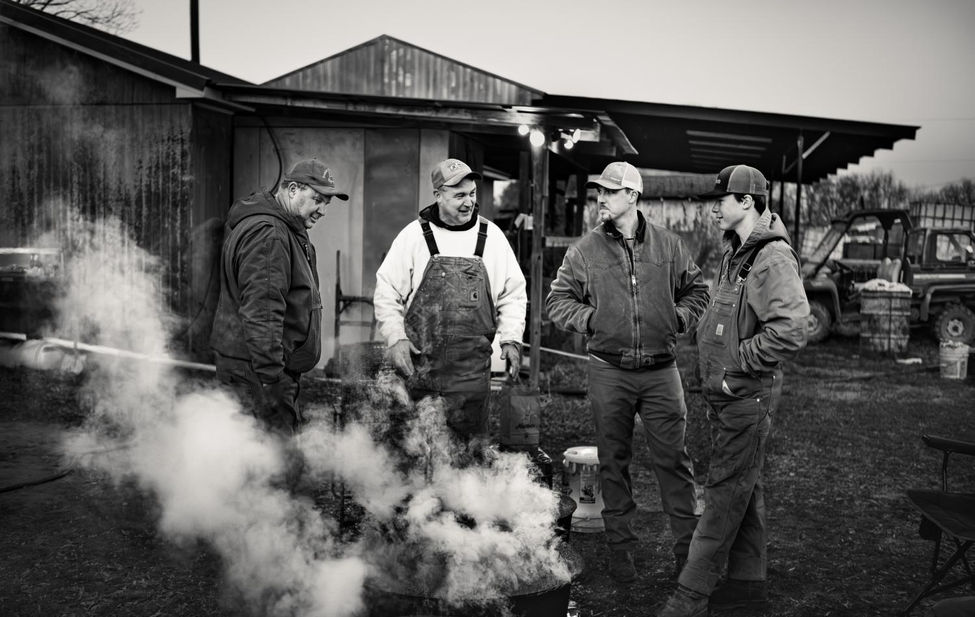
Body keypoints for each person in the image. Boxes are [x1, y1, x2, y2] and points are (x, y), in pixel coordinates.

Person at [545, 161, 710, 584]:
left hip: (661, 372)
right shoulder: (584, 250)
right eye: (598, 190)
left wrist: (678, 318)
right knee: (613, 463)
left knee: (674, 462)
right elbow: (558, 301)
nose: (601, 197)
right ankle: (622, 554)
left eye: (609, 191)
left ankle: (686, 557)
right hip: (609, 371)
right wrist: (593, 320)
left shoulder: (669, 246)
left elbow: (699, 291)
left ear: (633, 196)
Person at [658, 165, 809, 617]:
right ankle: (747, 586)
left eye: (722, 199)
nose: (714, 207)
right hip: (728, 395)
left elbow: (792, 328)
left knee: (723, 494)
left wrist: (738, 363)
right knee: (746, 487)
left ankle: (690, 594)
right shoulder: (737, 251)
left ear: (747, 202)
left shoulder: (772, 257)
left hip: (747, 396)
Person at [373, 158, 527, 448]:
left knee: (467, 456)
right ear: (438, 195)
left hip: (471, 380)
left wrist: (511, 339)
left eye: (471, 194)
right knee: (414, 452)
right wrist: (396, 338)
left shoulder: (491, 237)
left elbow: (514, 294)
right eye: (459, 196)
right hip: (419, 373)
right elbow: (387, 291)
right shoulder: (413, 237)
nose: (468, 202)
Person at [210, 158, 349, 436]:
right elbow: (262, 312)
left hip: (258, 370)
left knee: (253, 464)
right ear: (293, 189)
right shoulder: (270, 235)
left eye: (327, 204)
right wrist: (272, 380)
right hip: (258, 375)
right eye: (317, 199)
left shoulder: (284, 229)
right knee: (269, 466)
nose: (322, 210)